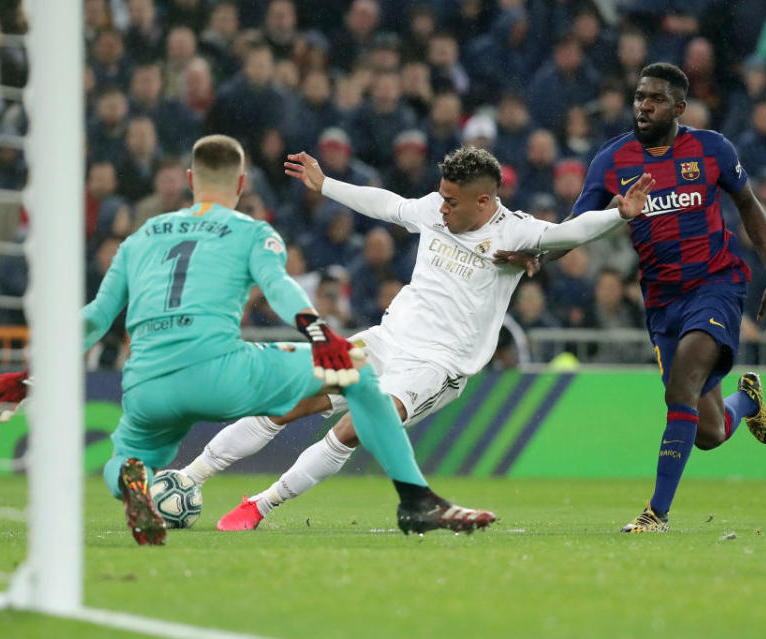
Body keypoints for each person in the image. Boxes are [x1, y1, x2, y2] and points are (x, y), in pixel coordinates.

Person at [0, 135, 499, 545]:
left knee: (126, 457)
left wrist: (30, 375)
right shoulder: (252, 231)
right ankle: (416, 499)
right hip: (221, 369)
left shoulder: (138, 240)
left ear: (188, 178)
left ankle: (137, 480)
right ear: (241, 182)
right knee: (358, 373)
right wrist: (321, 338)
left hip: (148, 381)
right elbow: (281, 288)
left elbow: (93, 318)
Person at [178, 146, 654, 531]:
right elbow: (387, 203)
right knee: (288, 401)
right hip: (386, 341)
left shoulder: (519, 233)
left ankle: (260, 506)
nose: (441, 206)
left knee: (353, 428)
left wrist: (621, 215)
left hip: (437, 368)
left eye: (453, 201)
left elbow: (573, 230)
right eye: (441, 196)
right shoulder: (432, 210)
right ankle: (188, 478)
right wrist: (326, 184)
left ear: (484, 202)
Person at [559, 63, 766, 532]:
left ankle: (656, 513)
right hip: (662, 301)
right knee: (708, 433)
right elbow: (577, 223)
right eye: (639, 96)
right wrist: (537, 253)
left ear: (679, 107)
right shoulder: (613, 160)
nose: (644, 105)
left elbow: (749, 206)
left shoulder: (711, 149)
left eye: (656, 99)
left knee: (681, 382)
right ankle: (746, 400)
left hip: (715, 285)